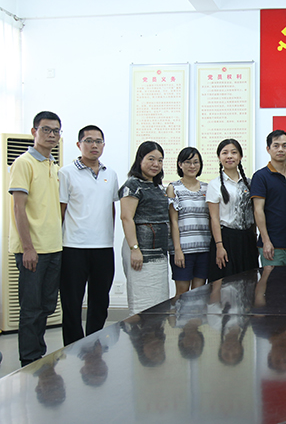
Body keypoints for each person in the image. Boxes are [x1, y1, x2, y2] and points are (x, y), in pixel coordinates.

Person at [8, 111, 63, 367]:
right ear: (34, 131)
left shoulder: (54, 166)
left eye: (56, 131)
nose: (51, 135)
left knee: (47, 305)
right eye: (46, 129)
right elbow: (18, 208)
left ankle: (38, 353)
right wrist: (28, 247)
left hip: (54, 247)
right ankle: (29, 360)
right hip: (32, 250)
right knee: (31, 308)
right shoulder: (24, 163)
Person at [58, 125, 119, 346]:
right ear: (79, 144)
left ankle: (95, 344)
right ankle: (73, 347)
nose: (94, 145)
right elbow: (61, 210)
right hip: (73, 246)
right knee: (72, 302)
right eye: (89, 141)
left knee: (100, 301)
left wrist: (109, 237)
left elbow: (111, 208)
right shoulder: (66, 173)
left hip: (103, 247)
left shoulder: (110, 174)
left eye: (98, 141)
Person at [119, 141, 170, 316]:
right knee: (142, 303)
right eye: (151, 159)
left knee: (159, 302)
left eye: (160, 160)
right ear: (140, 159)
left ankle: (156, 334)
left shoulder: (157, 186)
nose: (156, 164)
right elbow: (126, 218)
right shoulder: (132, 185)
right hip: (141, 253)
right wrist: (135, 249)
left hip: (159, 253)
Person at [206, 139, 257, 281]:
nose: (229, 156)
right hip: (226, 239)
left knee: (249, 282)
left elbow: (254, 213)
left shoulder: (249, 183)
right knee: (225, 284)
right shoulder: (214, 184)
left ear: (240, 156)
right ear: (219, 157)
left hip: (247, 239)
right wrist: (219, 246)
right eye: (225, 153)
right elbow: (214, 218)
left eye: (234, 152)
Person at [250, 130, 286, 266]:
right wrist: (266, 241)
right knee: (273, 280)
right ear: (268, 149)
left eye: (284, 146)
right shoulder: (261, 176)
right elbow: (258, 210)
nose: (280, 149)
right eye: (276, 146)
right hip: (272, 246)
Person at [167, 147, 211, 296]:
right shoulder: (174, 188)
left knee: (199, 293)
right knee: (182, 293)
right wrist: (177, 250)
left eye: (196, 162)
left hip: (204, 249)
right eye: (188, 162)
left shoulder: (207, 188)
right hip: (183, 250)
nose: (192, 166)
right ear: (180, 164)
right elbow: (173, 221)